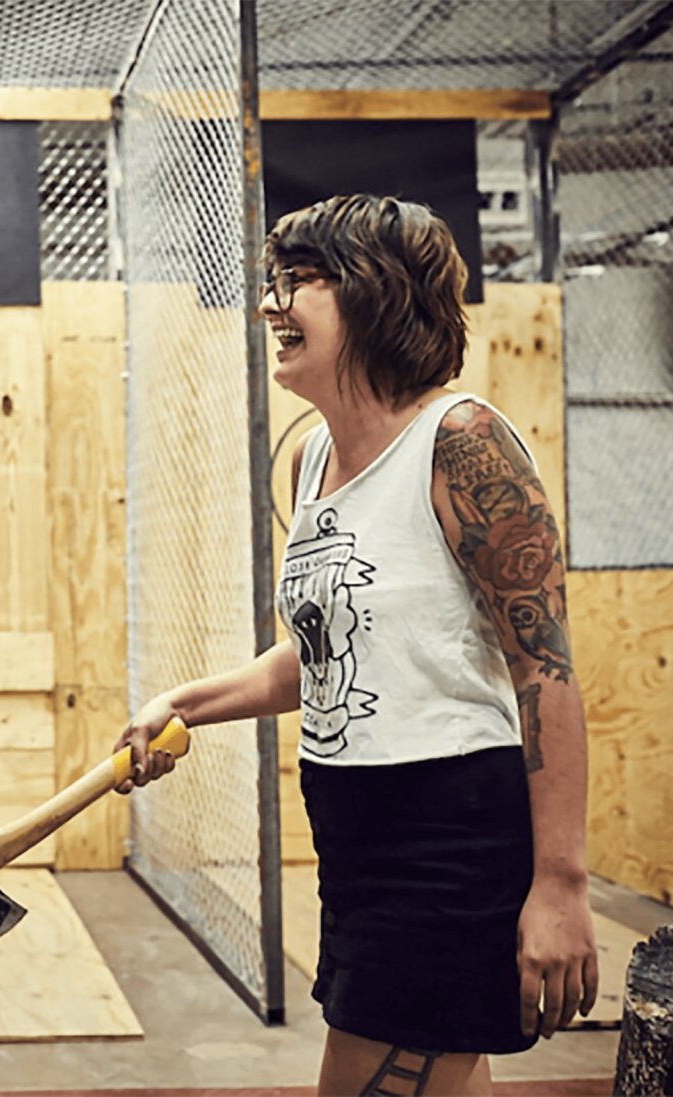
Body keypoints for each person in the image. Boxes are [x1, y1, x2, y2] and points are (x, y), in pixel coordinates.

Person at [115, 194, 598, 1096]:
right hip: (353, 830)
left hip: (445, 830)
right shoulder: (313, 466)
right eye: (273, 280)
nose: (271, 303)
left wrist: (562, 882)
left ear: (376, 295)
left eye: (301, 280)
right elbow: (322, 655)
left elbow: (545, 666)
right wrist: (182, 704)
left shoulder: (460, 442)